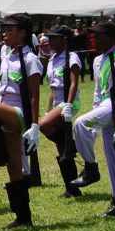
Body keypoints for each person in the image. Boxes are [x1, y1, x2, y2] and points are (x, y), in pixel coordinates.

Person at [0, 14, 42, 229]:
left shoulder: (30, 59)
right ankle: (23, 217)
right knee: (14, 165)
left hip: (19, 111)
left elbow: (34, 95)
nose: (4, 34)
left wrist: (34, 125)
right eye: (4, 30)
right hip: (6, 107)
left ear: (22, 33)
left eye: (10, 30)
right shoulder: (8, 55)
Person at [70, 20, 115, 217]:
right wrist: (95, 111)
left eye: (100, 37)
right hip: (104, 107)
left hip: (114, 106)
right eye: (94, 36)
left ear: (112, 39)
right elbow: (98, 91)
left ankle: (91, 168)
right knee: (110, 154)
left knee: (81, 123)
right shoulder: (98, 61)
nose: (95, 40)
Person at [37, 25, 83, 198]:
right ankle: (72, 188)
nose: (49, 41)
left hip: (69, 102)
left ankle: (73, 146)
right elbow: (52, 88)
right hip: (57, 102)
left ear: (64, 40)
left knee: (44, 125)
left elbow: (74, 83)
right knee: (62, 148)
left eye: (53, 38)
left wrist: (68, 105)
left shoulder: (71, 57)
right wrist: (48, 110)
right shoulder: (52, 59)